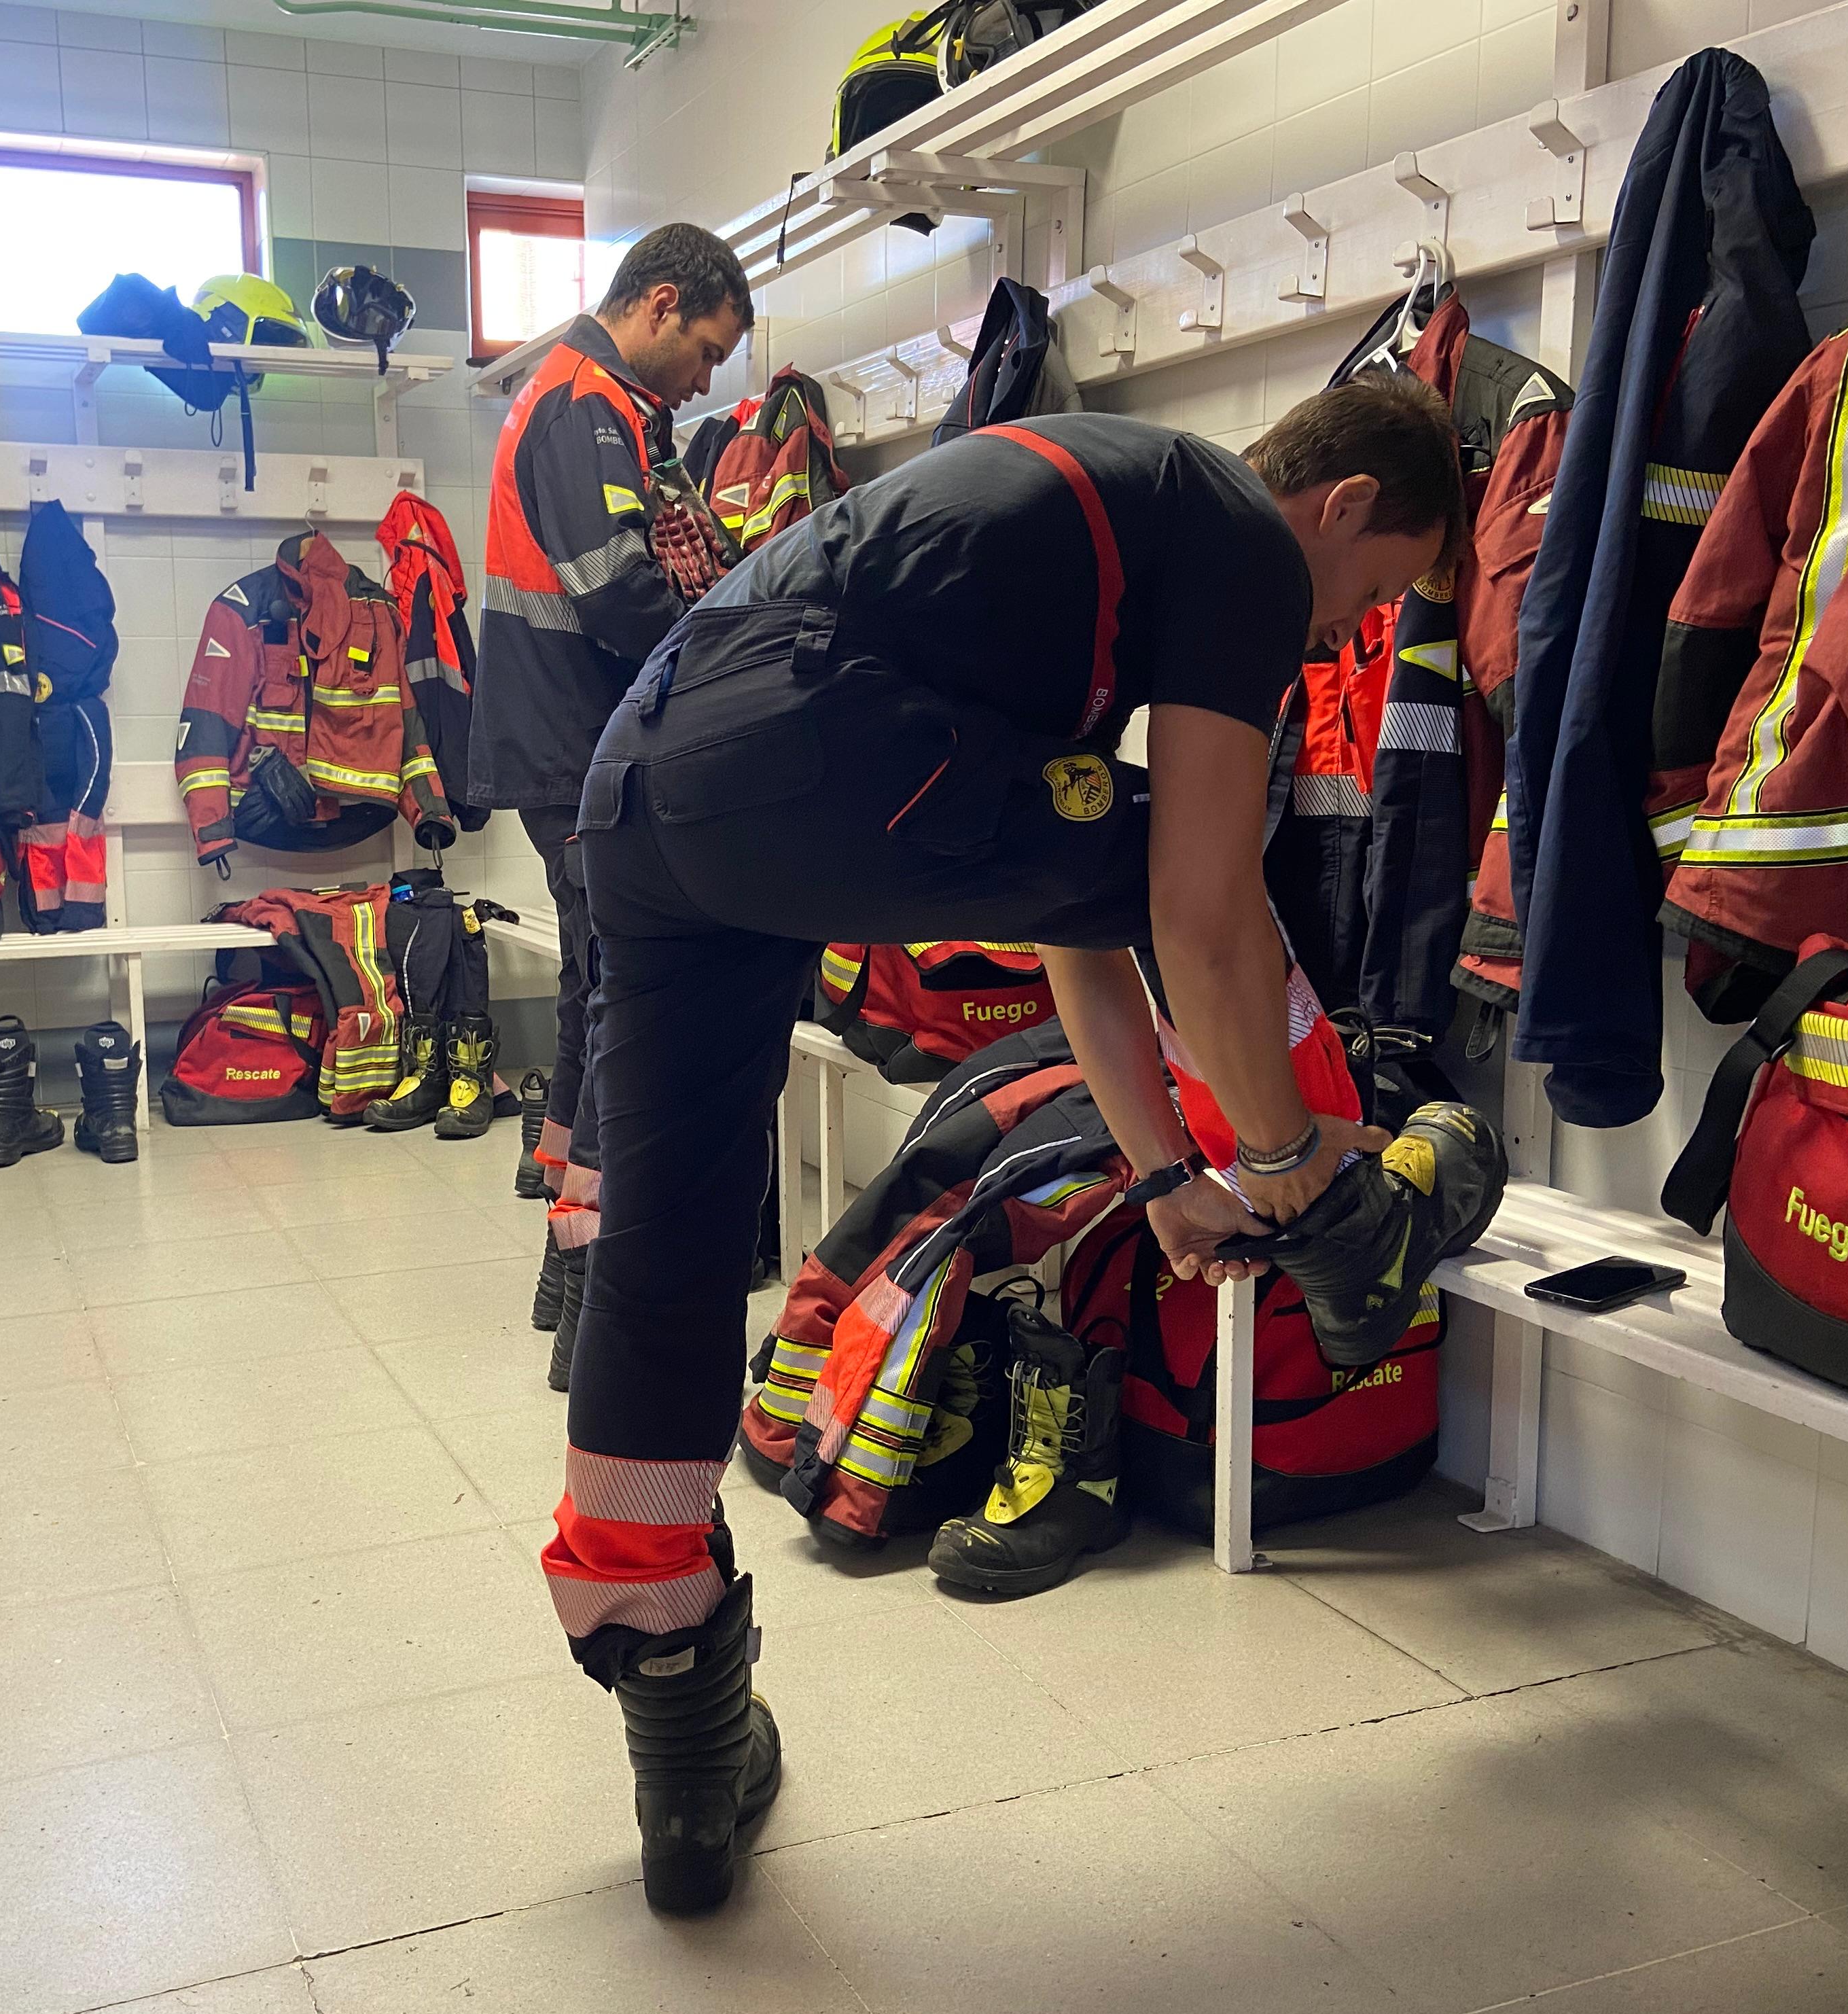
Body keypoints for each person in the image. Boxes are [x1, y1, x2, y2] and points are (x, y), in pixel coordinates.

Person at [543, 378, 1509, 1915]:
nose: (1344, 641)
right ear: (1337, 510)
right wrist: (1289, 1171)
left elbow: (1068, 910)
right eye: (1376, 592)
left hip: (641, 792)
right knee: (1212, 861)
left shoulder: (1087, 538)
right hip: (804, 751)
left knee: (667, 1253)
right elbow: (1188, 910)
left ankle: (682, 1738)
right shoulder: (1247, 543)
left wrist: (1164, 1179)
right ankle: (1348, 1231)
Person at [469, 224, 753, 1385]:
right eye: (704, 350)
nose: (704, 379)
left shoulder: (611, 408)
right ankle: (589, 1289)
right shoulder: (583, 403)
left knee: (597, 992)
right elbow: (619, 593)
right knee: (616, 1006)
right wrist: (742, 659)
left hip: (578, 746)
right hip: (577, 746)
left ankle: (565, 1270)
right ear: (661, 304)